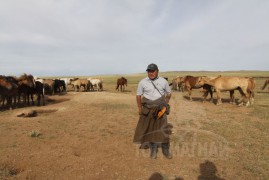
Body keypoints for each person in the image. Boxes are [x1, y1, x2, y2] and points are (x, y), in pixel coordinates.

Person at [133, 63, 172, 159]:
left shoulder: (163, 81)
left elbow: (169, 93)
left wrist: (165, 104)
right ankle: (153, 150)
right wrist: (139, 108)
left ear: (157, 71)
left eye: (153, 71)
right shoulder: (142, 82)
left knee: (163, 129)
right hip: (148, 109)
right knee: (150, 129)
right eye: (149, 71)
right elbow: (138, 95)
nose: (151, 73)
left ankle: (165, 149)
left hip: (160, 109)